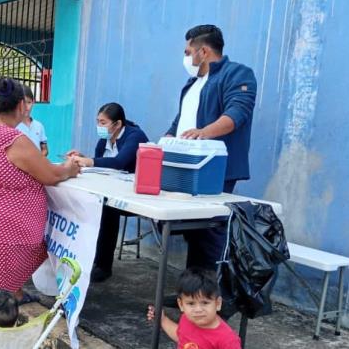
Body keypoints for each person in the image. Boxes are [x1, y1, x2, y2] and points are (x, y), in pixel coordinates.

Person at [0, 78, 80, 303]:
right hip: (3, 232)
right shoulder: (12, 139)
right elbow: (51, 175)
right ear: (20, 105)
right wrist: (70, 168)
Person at [166, 25, 257, 271]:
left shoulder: (237, 74)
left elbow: (236, 113)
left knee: (210, 231)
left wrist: (203, 133)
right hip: (184, 168)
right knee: (194, 233)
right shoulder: (193, 83)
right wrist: (163, 141)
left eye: (188, 51)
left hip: (214, 169)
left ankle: (215, 299)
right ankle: (194, 292)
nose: (185, 57)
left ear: (203, 51)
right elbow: (181, 120)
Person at [68, 103, 149, 283]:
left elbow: (119, 162)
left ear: (118, 124)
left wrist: (88, 161)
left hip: (136, 194)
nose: (99, 126)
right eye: (98, 122)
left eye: (103, 122)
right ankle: (91, 259)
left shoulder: (135, 136)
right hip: (111, 189)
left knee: (107, 210)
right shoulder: (105, 138)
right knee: (93, 203)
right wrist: (83, 157)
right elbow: (100, 162)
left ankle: (103, 266)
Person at [147, 268, 241, 349]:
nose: (198, 310)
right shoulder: (186, 318)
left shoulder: (228, 340)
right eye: (191, 303)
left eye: (205, 303)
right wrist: (163, 320)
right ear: (181, 305)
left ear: (218, 303)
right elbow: (181, 336)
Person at [16, 85, 48, 157]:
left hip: (37, 166)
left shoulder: (39, 126)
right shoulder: (13, 126)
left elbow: (45, 149)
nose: (26, 106)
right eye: (23, 103)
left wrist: (37, 159)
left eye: (29, 102)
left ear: (33, 102)